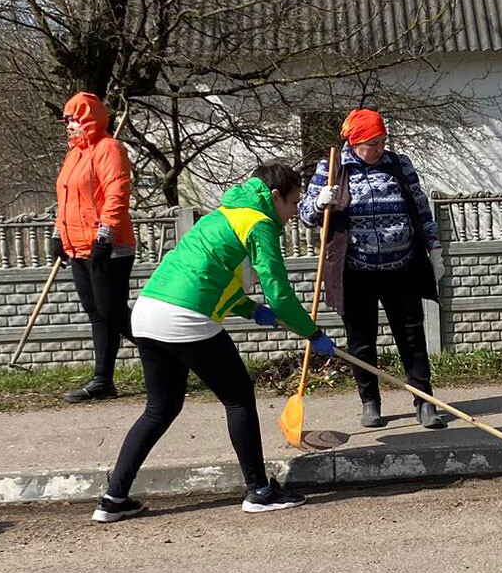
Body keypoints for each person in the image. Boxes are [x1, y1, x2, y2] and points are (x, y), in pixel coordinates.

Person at [91, 162, 337, 522]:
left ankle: (113, 499)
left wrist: (253, 312)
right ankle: (260, 492)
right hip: (184, 318)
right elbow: (280, 295)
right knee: (238, 398)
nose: (294, 211)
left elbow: (213, 279)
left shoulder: (222, 215)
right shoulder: (259, 222)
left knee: (160, 409)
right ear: (274, 197)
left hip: (147, 311)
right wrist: (312, 333)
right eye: (293, 202)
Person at [299, 107, 446, 430]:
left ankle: (425, 401)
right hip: (355, 271)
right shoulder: (333, 168)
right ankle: (370, 402)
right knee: (361, 340)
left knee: (411, 336)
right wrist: (320, 201)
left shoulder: (399, 164)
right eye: (371, 144)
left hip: (401, 266)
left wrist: (434, 248)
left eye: (381, 142)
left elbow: (420, 208)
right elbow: (306, 215)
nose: (378, 149)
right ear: (354, 142)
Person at [50, 92, 135, 403]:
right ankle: (103, 379)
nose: (68, 126)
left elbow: (117, 192)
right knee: (96, 312)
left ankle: (168, 351)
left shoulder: (109, 149)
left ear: (89, 120)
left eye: (73, 120)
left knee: (112, 311)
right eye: (66, 120)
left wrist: (105, 233)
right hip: (78, 246)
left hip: (108, 247)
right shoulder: (73, 156)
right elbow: (66, 200)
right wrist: (59, 233)